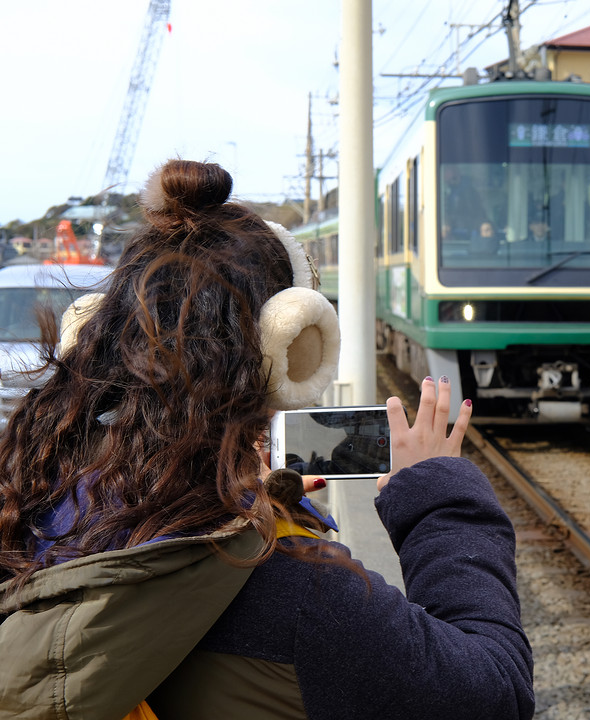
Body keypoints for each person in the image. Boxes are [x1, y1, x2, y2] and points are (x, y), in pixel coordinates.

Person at [0, 160, 533, 720]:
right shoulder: (306, 596)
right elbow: (495, 691)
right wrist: (437, 498)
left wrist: (244, 507)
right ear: (288, 349)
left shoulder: (27, 507)